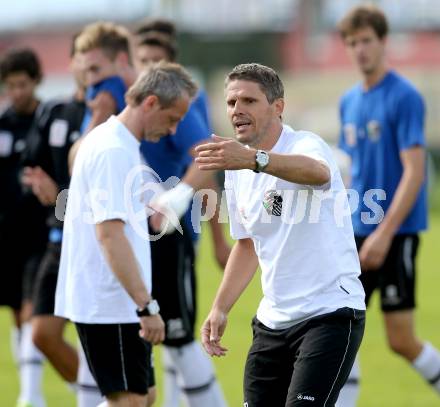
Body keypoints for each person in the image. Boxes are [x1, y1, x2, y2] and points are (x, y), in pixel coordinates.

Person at [197, 63, 366, 407]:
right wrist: (220, 307)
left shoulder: (306, 144)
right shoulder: (237, 170)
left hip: (328, 313)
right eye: (231, 103)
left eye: (249, 100)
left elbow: (318, 173)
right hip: (272, 322)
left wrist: (254, 159)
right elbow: (247, 245)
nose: (237, 110)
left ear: (278, 107)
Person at [54, 61, 198, 407]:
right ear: (149, 103)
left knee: (145, 396)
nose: (175, 129)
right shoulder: (112, 150)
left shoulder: (121, 144)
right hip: (109, 301)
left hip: (116, 299)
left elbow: (148, 214)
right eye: (172, 118)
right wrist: (145, 305)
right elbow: (109, 235)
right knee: (130, 401)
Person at [336, 5, 440, 405]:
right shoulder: (348, 101)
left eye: (366, 41)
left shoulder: (405, 96)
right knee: (339, 326)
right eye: (352, 43)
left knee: (400, 339)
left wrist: (384, 233)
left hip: (395, 233)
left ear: (382, 42)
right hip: (355, 231)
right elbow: (348, 169)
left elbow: (414, 172)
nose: (359, 50)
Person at [133, 20, 228, 407]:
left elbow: (205, 163)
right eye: (143, 61)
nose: (149, 70)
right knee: (157, 340)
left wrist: (219, 237)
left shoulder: (183, 106)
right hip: (138, 232)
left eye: (157, 61)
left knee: (178, 334)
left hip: (172, 230)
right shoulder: (128, 107)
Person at [20, 35, 86, 397]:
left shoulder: (116, 117)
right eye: (82, 61)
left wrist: (59, 194)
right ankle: (94, 395)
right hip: (59, 240)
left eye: (97, 65)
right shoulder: (56, 112)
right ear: (72, 62)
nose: (88, 71)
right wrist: (39, 186)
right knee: (43, 333)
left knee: (100, 337)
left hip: (100, 241)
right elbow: (29, 168)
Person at [0, 47, 48, 407]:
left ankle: (29, 397)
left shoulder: (47, 120)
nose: (17, 92)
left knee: (34, 310)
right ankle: (30, 388)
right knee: (18, 314)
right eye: (10, 85)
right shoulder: (2, 123)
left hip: (41, 232)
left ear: (35, 81)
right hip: (7, 234)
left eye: (22, 84)